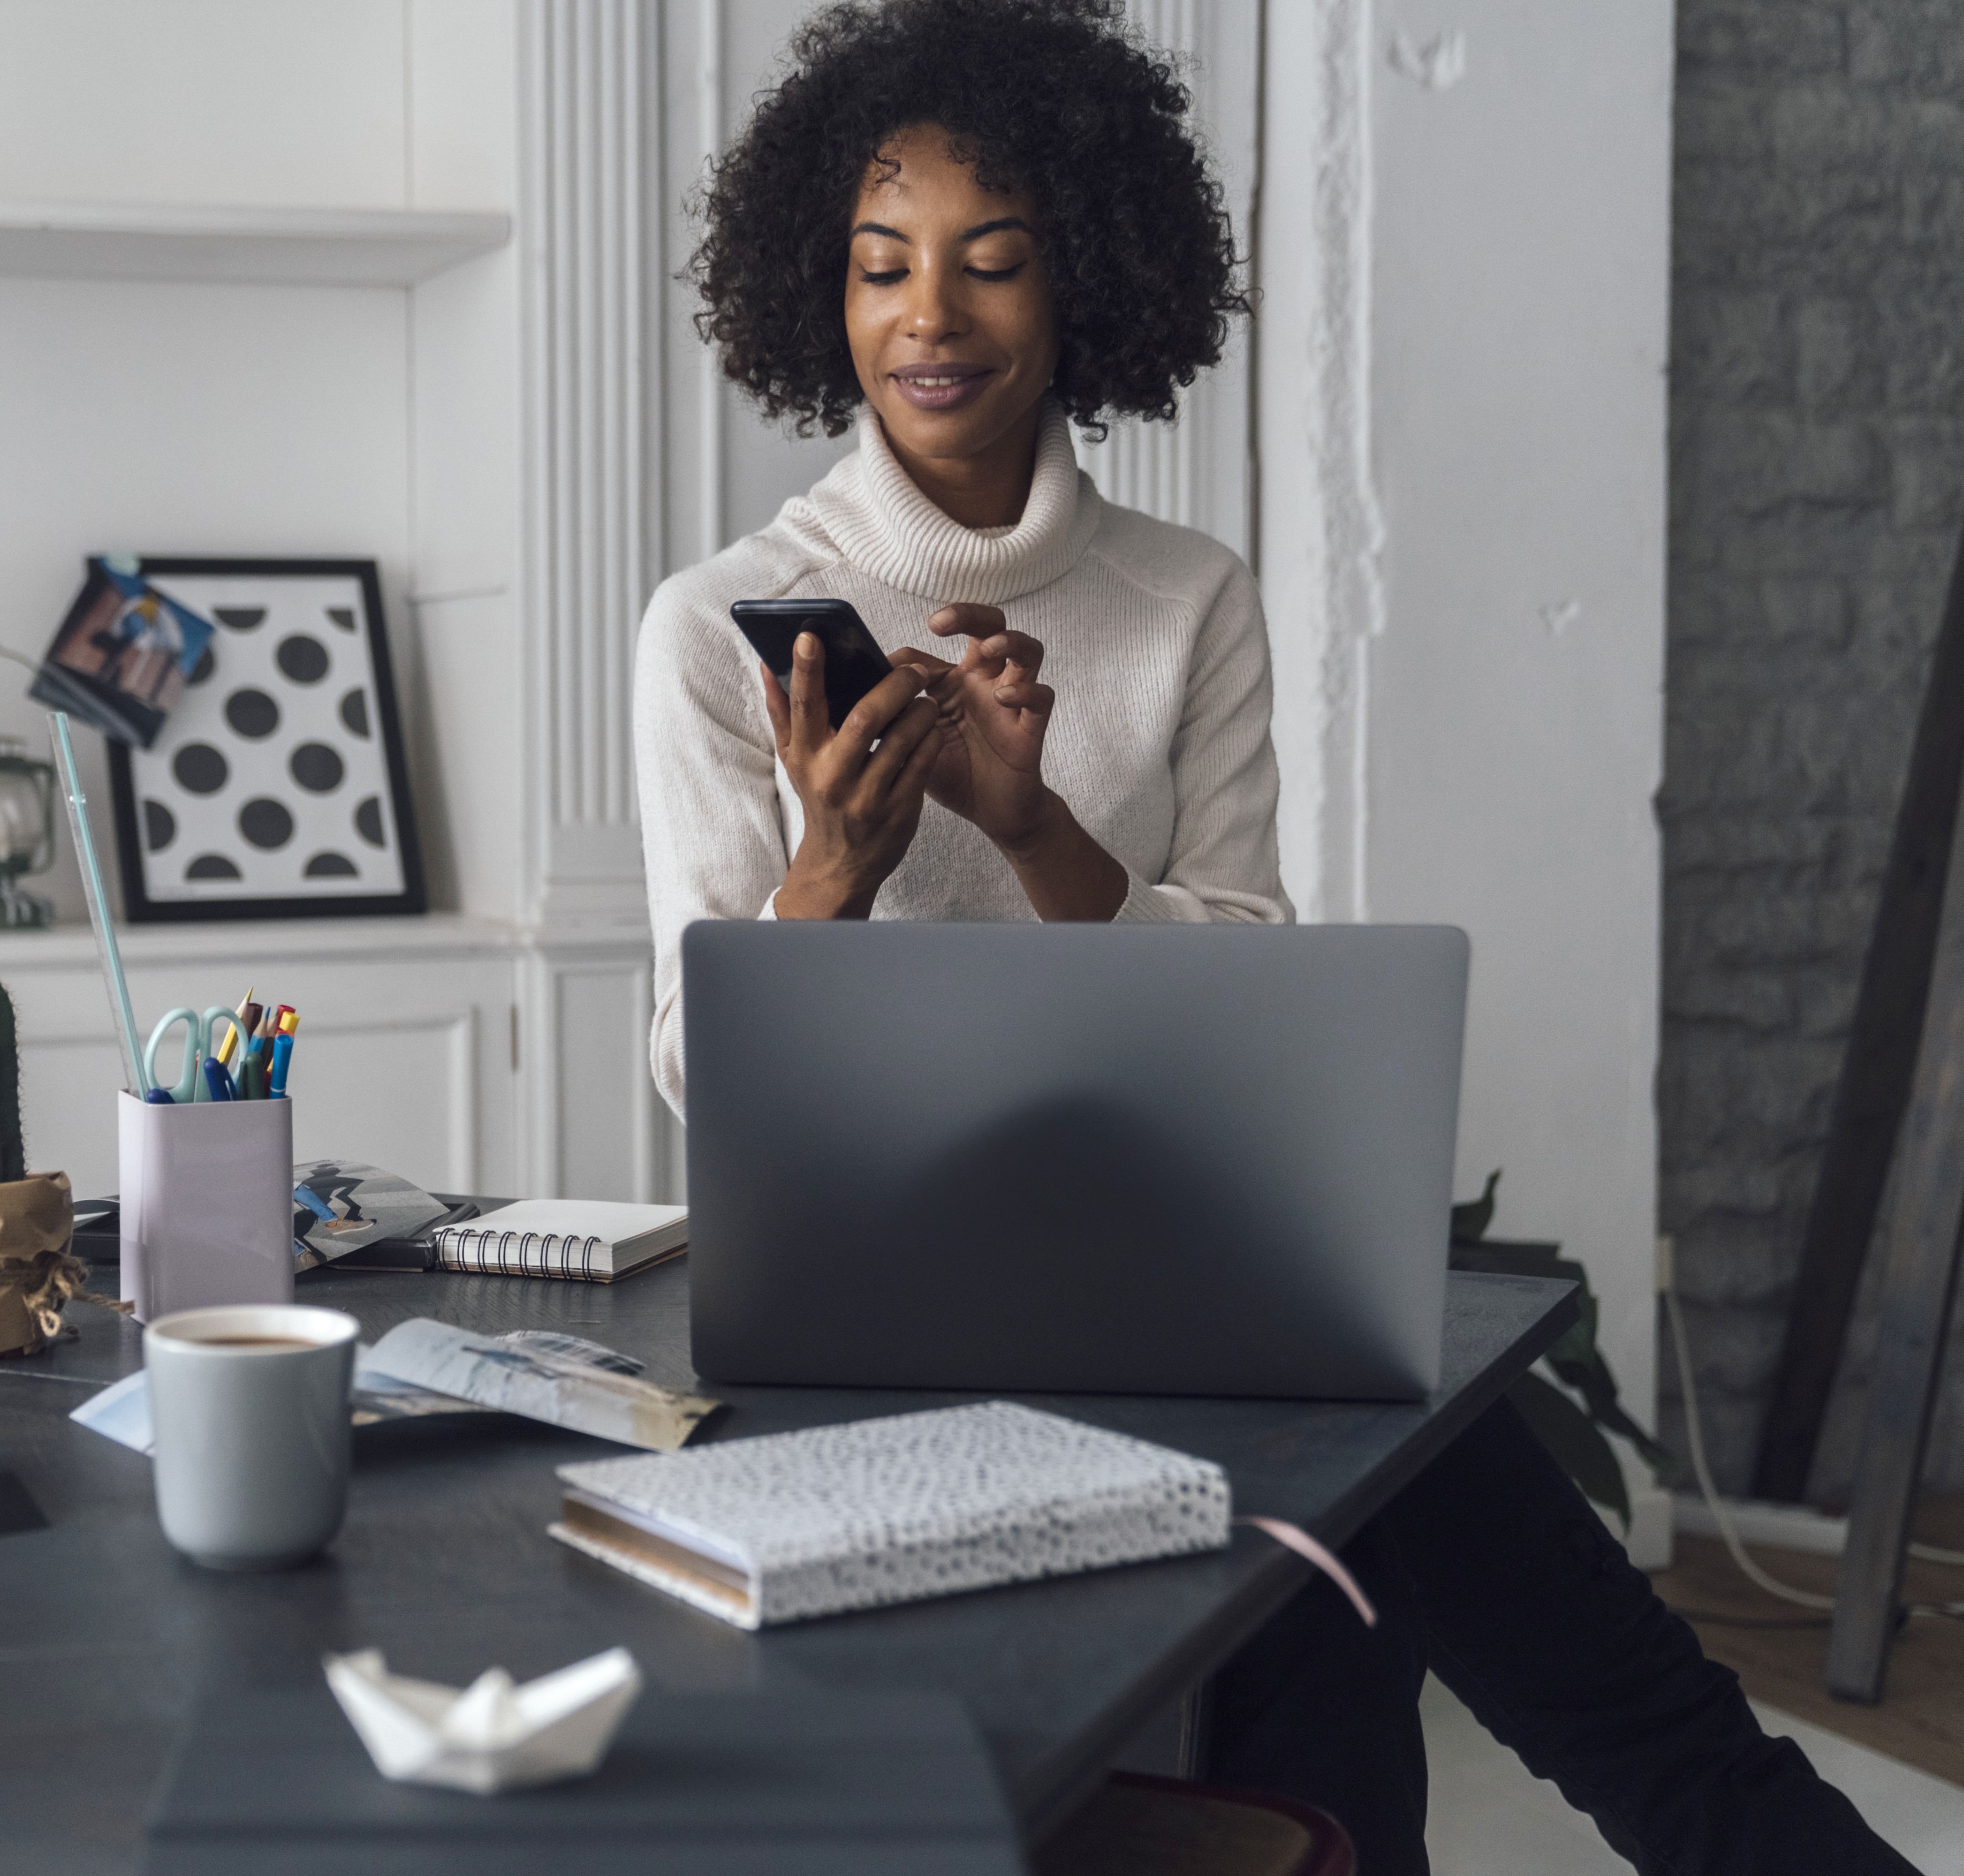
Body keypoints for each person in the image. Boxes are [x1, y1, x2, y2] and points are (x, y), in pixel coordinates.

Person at [630, 3, 1915, 1870]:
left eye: (994, 263)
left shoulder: (1183, 598)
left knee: (1469, 1597)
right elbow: (699, 1060)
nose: (933, 318)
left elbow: (1243, 972)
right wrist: (832, 863)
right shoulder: (723, 622)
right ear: (815, 292)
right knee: (1360, 1552)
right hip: (874, 1306)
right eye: (881, 266)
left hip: (1191, 1263)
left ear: (1085, 281)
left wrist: (1033, 821)